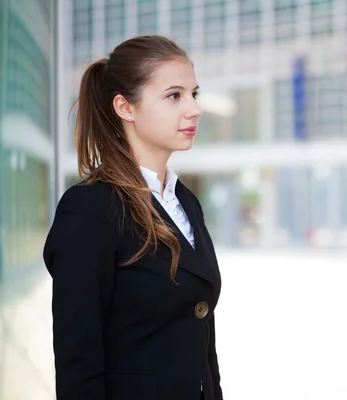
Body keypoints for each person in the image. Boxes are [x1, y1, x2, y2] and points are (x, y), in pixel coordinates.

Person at [43, 35, 223, 400]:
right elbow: (78, 361)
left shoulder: (184, 202)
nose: (194, 109)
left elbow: (201, 336)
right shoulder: (90, 209)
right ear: (125, 107)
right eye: (174, 95)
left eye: (194, 94)